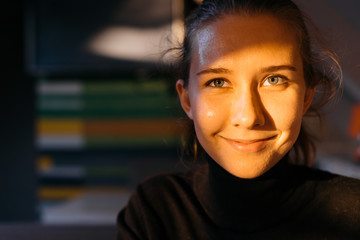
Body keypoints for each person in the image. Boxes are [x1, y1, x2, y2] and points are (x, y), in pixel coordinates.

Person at [117, 0, 360, 239]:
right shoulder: (154, 213)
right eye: (218, 82)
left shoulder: (353, 212)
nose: (248, 117)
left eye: (274, 80)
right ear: (187, 100)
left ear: (306, 95)